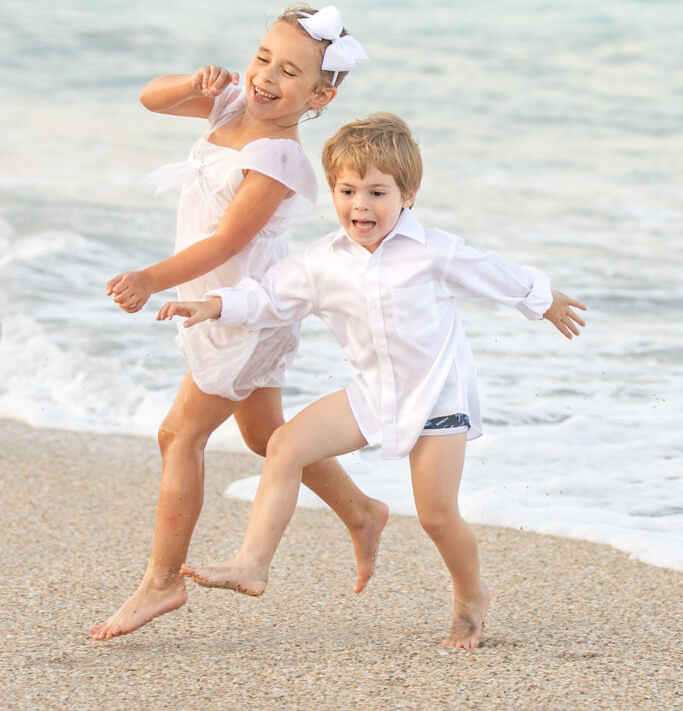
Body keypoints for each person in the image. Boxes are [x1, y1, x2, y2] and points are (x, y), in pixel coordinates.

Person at [158, 112, 587, 649]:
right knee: (285, 444)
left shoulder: (433, 252)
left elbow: (495, 272)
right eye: (347, 190)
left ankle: (471, 597)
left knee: (435, 515)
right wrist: (215, 304)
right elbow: (268, 297)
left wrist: (544, 301)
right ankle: (251, 563)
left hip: (436, 399)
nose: (361, 205)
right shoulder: (323, 263)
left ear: (408, 194)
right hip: (373, 394)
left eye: (377, 192)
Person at [89, 6, 389, 641]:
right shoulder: (230, 108)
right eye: (262, 58)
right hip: (219, 306)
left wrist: (149, 278)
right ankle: (362, 511)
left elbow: (227, 243)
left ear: (319, 95)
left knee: (179, 436)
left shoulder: (279, 157)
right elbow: (151, 99)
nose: (266, 77)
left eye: (289, 72)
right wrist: (194, 86)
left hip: (244, 312)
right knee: (264, 437)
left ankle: (161, 582)